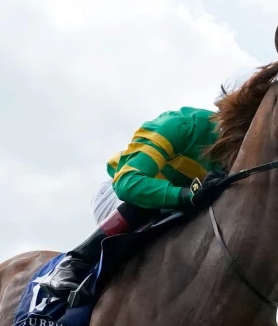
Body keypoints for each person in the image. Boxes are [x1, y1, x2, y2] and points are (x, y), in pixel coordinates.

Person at [37, 105, 231, 295]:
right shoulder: (182, 124)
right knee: (151, 204)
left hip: (175, 205)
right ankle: (75, 262)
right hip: (118, 195)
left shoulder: (237, 152)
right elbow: (128, 183)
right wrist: (186, 195)